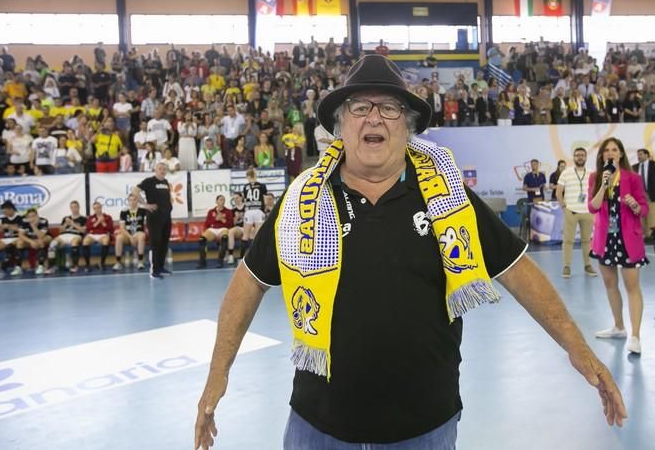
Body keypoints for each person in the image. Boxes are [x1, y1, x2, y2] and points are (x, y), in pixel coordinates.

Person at [194, 55, 626, 450]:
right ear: (341, 126)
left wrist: (578, 348)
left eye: (389, 108)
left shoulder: (448, 198)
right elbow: (249, 280)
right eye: (360, 108)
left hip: (425, 429)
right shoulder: (300, 202)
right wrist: (218, 372)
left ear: (408, 124)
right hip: (318, 427)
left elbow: (518, 271)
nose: (374, 118)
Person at [588, 137, 649, 355]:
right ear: (602, 156)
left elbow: (644, 209)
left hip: (628, 239)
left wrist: (635, 205)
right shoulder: (596, 177)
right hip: (605, 240)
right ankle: (619, 326)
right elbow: (593, 207)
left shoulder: (633, 178)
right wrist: (604, 186)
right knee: (609, 284)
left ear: (621, 154)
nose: (611, 153)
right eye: (607, 150)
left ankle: (635, 336)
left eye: (615, 150)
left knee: (632, 287)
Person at [556, 148, 597, 278]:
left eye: (582, 155)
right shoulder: (566, 173)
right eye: (577, 155)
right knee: (568, 241)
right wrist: (564, 207)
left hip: (587, 212)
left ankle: (588, 265)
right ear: (573, 157)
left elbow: (596, 192)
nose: (580, 157)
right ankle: (566, 266)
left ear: (586, 157)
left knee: (587, 241)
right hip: (571, 212)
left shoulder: (592, 173)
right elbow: (558, 192)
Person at [132, 161, 173, 279]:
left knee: (164, 243)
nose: (162, 171)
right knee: (155, 243)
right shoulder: (149, 181)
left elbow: (167, 198)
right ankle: (153, 270)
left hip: (166, 217)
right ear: (155, 170)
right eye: (160, 168)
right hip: (154, 217)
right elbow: (135, 191)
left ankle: (160, 266)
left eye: (164, 169)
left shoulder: (165, 182)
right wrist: (145, 205)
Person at [46, 200, 86, 274]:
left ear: (78, 207)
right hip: (64, 235)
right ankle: (51, 266)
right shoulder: (66, 218)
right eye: (72, 207)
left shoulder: (83, 219)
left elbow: (83, 231)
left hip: (76, 235)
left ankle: (75, 266)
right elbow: (60, 231)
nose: (74, 209)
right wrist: (65, 224)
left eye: (75, 207)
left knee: (75, 243)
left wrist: (73, 224)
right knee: (52, 244)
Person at [113, 194, 148, 271]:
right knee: (119, 237)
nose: (132, 202)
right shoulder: (124, 211)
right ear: (128, 201)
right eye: (130, 200)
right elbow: (122, 228)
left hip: (138, 234)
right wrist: (130, 237)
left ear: (137, 201)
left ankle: (140, 261)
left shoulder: (142, 210)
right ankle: (118, 262)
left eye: (134, 199)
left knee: (142, 235)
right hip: (128, 235)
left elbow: (149, 223)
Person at [198, 195, 233, 269]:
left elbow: (231, 225)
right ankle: (202, 262)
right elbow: (207, 224)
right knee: (202, 239)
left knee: (224, 238)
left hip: (223, 229)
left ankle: (220, 261)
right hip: (213, 229)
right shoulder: (211, 211)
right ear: (216, 201)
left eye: (223, 200)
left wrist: (223, 220)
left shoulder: (228, 211)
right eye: (220, 200)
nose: (222, 201)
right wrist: (216, 219)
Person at [14, 208, 52, 276]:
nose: (32, 218)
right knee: (19, 243)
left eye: (34, 216)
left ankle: (41, 266)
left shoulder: (43, 221)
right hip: (31, 239)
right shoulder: (24, 221)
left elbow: (41, 236)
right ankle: (18, 267)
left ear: (37, 215)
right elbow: (20, 235)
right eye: (30, 217)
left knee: (40, 241)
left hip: (44, 237)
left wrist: (33, 226)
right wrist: (31, 241)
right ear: (27, 217)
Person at [239, 167, 267, 259]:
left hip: (249, 211)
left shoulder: (245, 187)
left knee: (245, 235)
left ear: (248, 176)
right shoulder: (262, 186)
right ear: (255, 175)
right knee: (258, 236)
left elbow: (245, 199)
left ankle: (241, 258)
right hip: (258, 211)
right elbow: (265, 201)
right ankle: (257, 258)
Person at [82, 201, 114, 271]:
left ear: (101, 207)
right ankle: (87, 265)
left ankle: (102, 263)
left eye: (98, 208)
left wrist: (103, 222)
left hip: (103, 234)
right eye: (95, 208)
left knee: (106, 241)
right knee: (85, 241)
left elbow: (110, 229)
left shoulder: (107, 217)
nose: (97, 210)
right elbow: (88, 228)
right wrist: (98, 222)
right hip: (92, 234)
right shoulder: (91, 217)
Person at [632, 148, 655, 241]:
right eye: (638, 155)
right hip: (638, 196)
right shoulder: (634, 167)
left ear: (646, 155)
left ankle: (651, 234)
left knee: (651, 215)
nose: (638, 156)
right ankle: (644, 235)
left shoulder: (653, 165)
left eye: (641, 154)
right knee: (641, 215)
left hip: (652, 194)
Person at [226, 191, 245, 264]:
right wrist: (236, 218)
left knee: (255, 232)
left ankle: (246, 256)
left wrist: (243, 216)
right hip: (239, 228)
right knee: (231, 231)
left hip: (248, 227)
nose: (236, 200)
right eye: (234, 199)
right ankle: (230, 255)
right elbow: (232, 224)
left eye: (237, 198)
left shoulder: (247, 207)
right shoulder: (233, 210)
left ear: (241, 197)